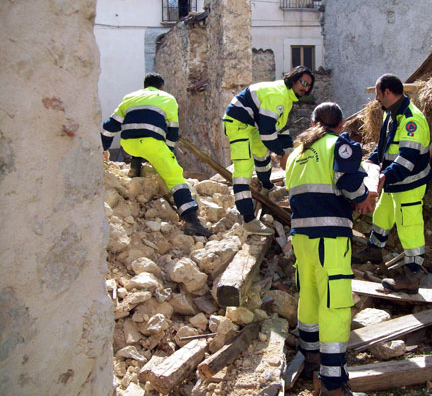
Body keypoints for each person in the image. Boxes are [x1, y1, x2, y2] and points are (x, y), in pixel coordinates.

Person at [285, 102, 374, 396]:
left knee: (308, 295)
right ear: (341, 124)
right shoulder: (339, 146)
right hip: (330, 240)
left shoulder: (295, 154)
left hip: (302, 239)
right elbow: (351, 186)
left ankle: (310, 358)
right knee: (335, 304)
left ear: (313, 122)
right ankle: (333, 384)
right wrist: (364, 195)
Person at [101, 72, 211, 238]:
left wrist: (102, 149)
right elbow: (173, 132)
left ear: (145, 86)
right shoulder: (168, 98)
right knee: (175, 178)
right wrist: (167, 156)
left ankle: (135, 168)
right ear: (161, 87)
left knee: (139, 145)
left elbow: (110, 126)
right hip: (152, 144)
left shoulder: (130, 97)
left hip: (128, 144)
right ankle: (191, 222)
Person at [352, 74, 432, 294]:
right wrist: (370, 163)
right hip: (393, 181)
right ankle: (374, 250)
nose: (376, 98)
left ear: (387, 92)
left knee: (409, 227)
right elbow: (384, 148)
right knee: (382, 215)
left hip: (409, 184)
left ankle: (412, 276)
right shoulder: (391, 115)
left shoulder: (411, 119)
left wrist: (383, 176)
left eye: (378, 94)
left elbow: (407, 159)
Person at [223, 66, 315, 235]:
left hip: (252, 124)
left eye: (309, 85)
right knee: (243, 171)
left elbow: (281, 128)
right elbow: (267, 134)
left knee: (262, 154)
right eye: (303, 82)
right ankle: (249, 220)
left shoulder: (287, 97)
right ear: (293, 80)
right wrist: (283, 154)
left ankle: (266, 186)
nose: (306, 88)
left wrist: (288, 151)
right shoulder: (278, 95)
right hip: (238, 124)